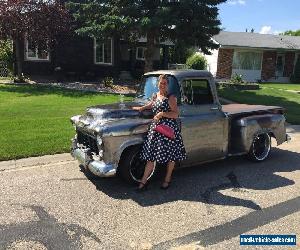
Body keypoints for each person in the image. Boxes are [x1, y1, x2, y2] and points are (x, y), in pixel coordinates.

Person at [132, 74, 187, 191]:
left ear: (167, 85)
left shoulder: (171, 97)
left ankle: (167, 179)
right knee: (150, 157)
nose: (162, 85)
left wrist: (163, 114)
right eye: (161, 83)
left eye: (165, 83)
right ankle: (143, 182)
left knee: (171, 157)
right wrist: (142, 108)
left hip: (168, 130)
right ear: (158, 83)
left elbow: (176, 114)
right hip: (156, 129)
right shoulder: (155, 95)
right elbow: (152, 104)